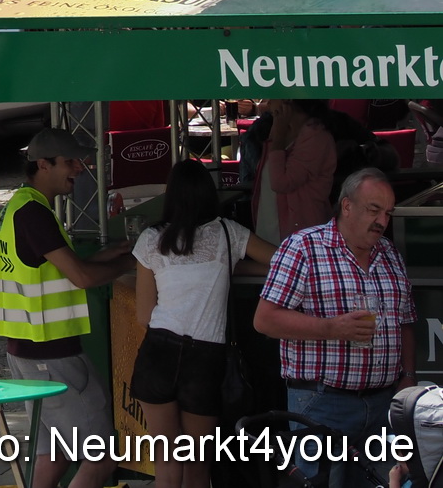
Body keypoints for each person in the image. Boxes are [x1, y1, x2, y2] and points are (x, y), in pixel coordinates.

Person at [255, 168, 415, 488]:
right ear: (346, 206)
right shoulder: (303, 248)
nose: (382, 220)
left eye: (387, 212)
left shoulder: (389, 254)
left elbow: (406, 322)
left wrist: (407, 380)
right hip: (323, 402)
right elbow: (265, 319)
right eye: (373, 210)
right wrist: (332, 329)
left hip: (382, 404)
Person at [0, 129, 134, 488]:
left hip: (25, 349)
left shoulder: (18, 206)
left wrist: (105, 256)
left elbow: (53, 267)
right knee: (100, 459)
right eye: (70, 162)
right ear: (43, 164)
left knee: (52, 454)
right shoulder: (35, 213)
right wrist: (133, 263)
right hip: (53, 353)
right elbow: (82, 276)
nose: (80, 169)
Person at [132, 160, 276, 488]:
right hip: (205, 360)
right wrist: (230, 268)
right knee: (197, 470)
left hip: (158, 353)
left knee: (166, 469)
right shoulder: (229, 233)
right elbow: (282, 258)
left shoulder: (151, 239)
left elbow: (144, 315)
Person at [251, 98, 337, 243]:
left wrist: (278, 135)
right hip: (270, 226)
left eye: (272, 97)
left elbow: (281, 183)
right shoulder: (282, 129)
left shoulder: (315, 137)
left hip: (300, 234)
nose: (269, 103)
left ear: (288, 101)